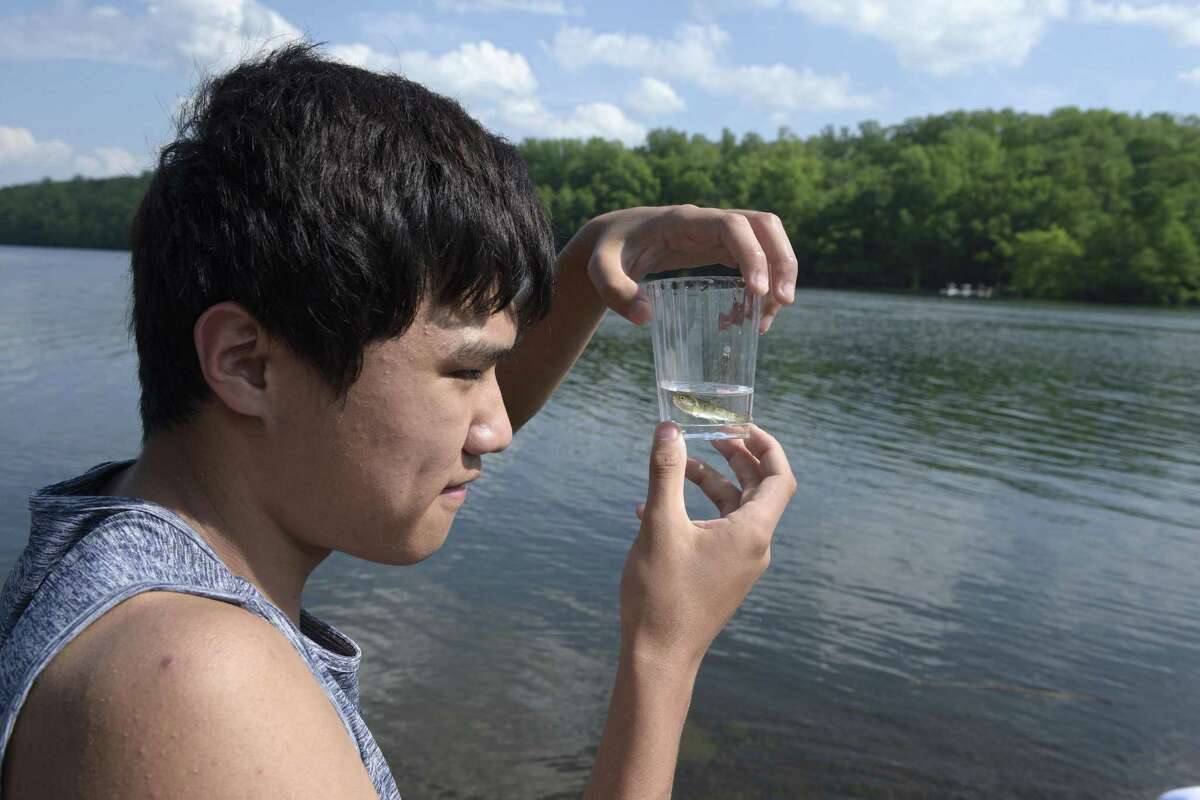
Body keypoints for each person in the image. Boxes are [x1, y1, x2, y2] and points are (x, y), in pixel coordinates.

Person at [0, 43, 797, 799]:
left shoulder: (129, 531)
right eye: (465, 372)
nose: (497, 430)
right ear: (247, 364)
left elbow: (398, 424)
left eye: (489, 372)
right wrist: (664, 652)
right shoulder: (191, 684)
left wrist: (590, 263)